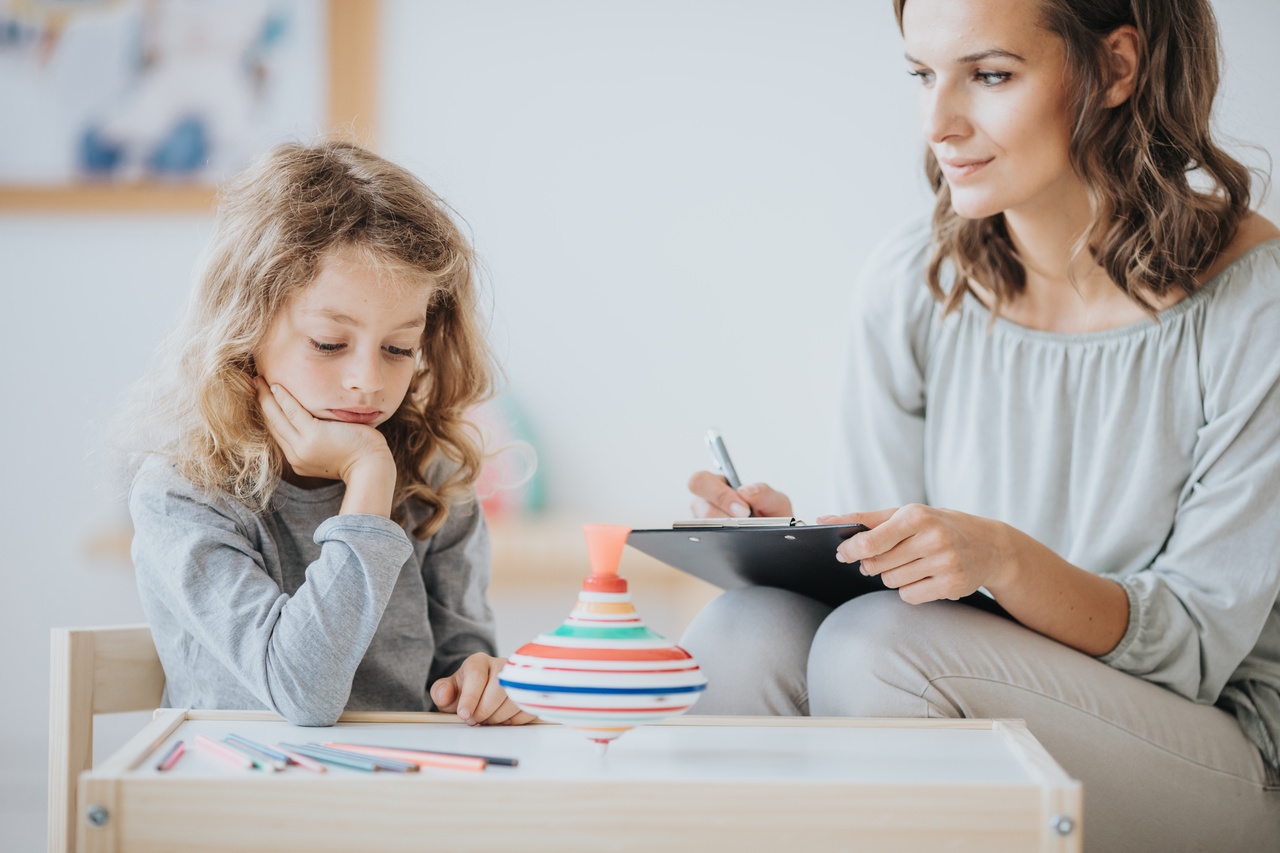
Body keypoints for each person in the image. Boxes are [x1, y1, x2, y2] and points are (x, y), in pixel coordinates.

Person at [683, 1, 1280, 849]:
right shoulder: (912, 281)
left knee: (878, 649)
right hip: (964, 669)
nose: (938, 123)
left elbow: (1187, 649)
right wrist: (806, 548)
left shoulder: (1258, 306)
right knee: (746, 629)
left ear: (1117, 68)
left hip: (1216, 746)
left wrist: (999, 556)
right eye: (923, 75)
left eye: (990, 75)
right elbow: (887, 582)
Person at [125, 139, 534, 728]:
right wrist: (367, 481)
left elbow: (461, 660)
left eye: (398, 348)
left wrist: (484, 679)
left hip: (396, 793)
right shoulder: (183, 493)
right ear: (245, 325)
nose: (368, 381)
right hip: (237, 801)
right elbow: (302, 691)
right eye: (329, 344)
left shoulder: (432, 477)